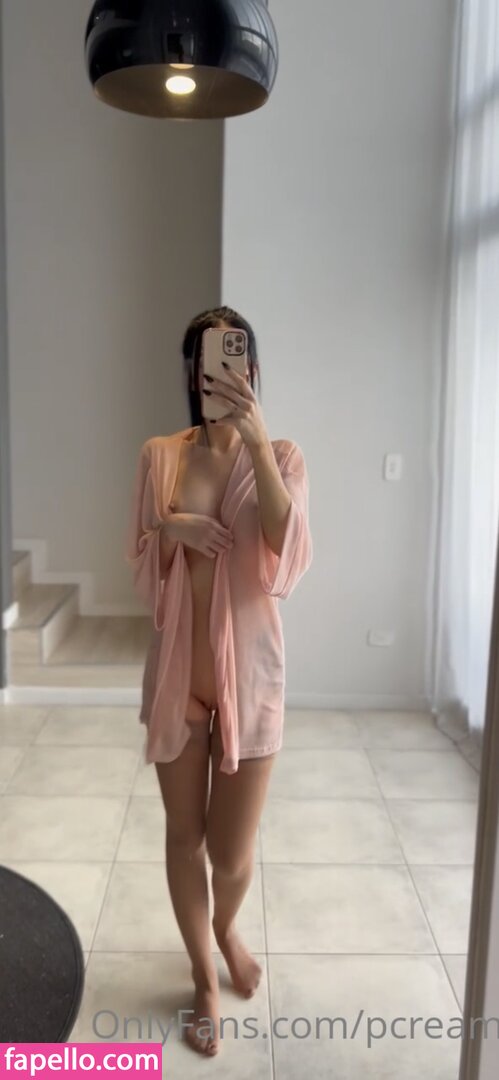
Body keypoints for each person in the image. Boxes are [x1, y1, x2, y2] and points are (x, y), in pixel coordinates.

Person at [125, 306, 313, 1056]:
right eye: (205, 361)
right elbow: (142, 561)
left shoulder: (285, 454)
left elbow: (288, 555)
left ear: (251, 369)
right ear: (191, 371)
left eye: (231, 359)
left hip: (252, 676)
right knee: (185, 837)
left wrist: (257, 444)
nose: (217, 373)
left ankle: (226, 927)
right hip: (178, 677)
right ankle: (203, 977)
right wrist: (171, 528)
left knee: (231, 856)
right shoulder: (160, 455)